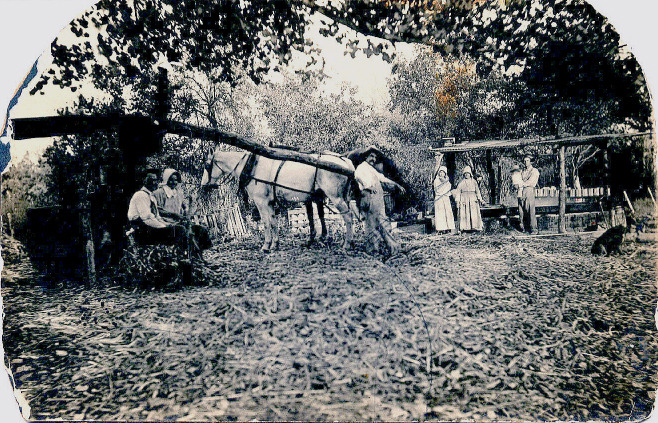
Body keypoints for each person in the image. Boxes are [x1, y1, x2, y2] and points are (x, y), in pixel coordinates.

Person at [354, 152, 405, 255]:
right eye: (371, 156)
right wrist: (368, 187)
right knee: (373, 224)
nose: (373, 159)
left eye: (375, 157)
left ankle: (385, 248)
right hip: (369, 196)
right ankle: (376, 250)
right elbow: (357, 176)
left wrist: (396, 184)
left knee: (379, 222)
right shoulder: (362, 167)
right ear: (366, 157)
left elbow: (382, 178)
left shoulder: (371, 169)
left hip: (376, 197)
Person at [153, 168, 212, 254]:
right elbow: (157, 210)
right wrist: (173, 215)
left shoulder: (178, 193)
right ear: (166, 179)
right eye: (171, 180)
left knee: (201, 229)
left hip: (178, 222)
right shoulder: (158, 193)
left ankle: (198, 254)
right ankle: (186, 254)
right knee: (183, 231)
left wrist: (186, 211)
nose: (174, 182)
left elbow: (184, 206)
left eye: (176, 180)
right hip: (165, 223)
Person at [127, 173, 187, 248]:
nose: (154, 183)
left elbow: (157, 217)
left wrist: (168, 224)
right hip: (141, 229)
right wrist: (164, 227)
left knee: (179, 228)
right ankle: (180, 252)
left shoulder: (151, 196)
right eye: (151, 180)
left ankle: (181, 252)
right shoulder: (140, 195)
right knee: (180, 230)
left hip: (149, 227)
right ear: (145, 181)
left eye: (155, 180)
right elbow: (147, 219)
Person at [454, 166, 484, 232]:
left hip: (473, 199)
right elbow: (458, 193)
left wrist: (480, 199)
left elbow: (477, 191)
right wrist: (457, 201)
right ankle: (465, 228)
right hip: (464, 199)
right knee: (465, 213)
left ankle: (475, 227)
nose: (466, 175)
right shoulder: (461, 183)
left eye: (468, 173)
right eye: (465, 173)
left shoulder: (474, 182)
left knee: (473, 213)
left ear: (470, 174)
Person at [519, 155, 540, 234]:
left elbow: (531, 181)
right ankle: (525, 228)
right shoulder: (522, 171)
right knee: (522, 209)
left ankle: (534, 229)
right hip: (522, 190)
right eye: (524, 161)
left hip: (529, 190)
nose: (525, 162)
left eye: (527, 160)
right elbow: (518, 179)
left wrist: (522, 184)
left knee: (530, 209)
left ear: (531, 162)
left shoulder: (534, 171)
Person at [433, 165, 455, 233]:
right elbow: (436, 190)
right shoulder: (436, 181)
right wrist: (442, 192)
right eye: (440, 172)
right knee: (440, 213)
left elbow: (448, 187)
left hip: (445, 198)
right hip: (439, 198)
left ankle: (448, 228)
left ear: (445, 173)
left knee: (447, 212)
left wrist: (444, 191)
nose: (441, 174)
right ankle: (441, 228)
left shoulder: (447, 181)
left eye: (443, 172)